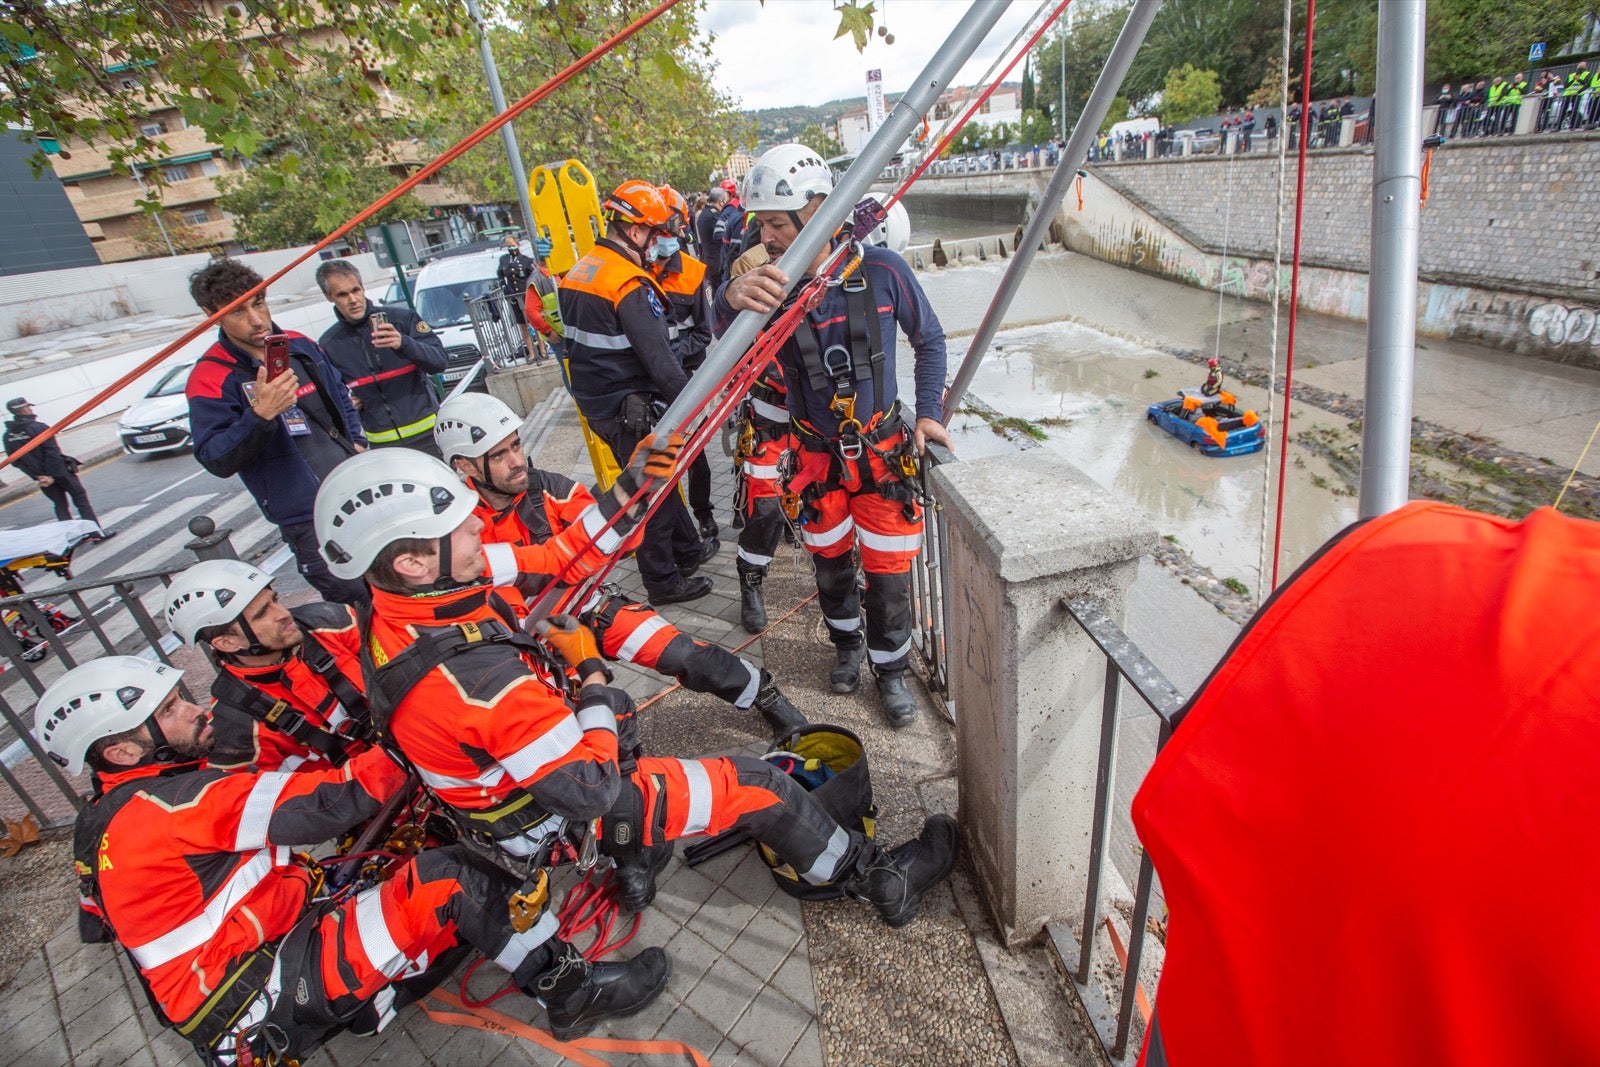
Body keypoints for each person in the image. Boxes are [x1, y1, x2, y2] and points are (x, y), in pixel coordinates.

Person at [310, 450, 958, 933]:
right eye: (459, 527)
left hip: (520, 792)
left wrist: (635, 485)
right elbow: (588, 787)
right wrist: (589, 670)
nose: (478, 531)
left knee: (621, 709)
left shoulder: (401, 612)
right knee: (759, 783)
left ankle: (635, 854)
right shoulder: (476, 681)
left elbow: (567, 555)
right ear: (411, 561)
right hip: (563, 809)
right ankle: (869, 876)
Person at [38, 655, 669, 1063]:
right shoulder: (171, 803)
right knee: (453, 879)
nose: (197, 709)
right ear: (122, 751)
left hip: (233, 987)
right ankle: (573, 993)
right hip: (264, 988)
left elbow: (99, 924)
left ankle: (376, 990)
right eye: (170, 711)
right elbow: (336, 801)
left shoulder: (99, 821)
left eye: (182, 696)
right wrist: (415, 729)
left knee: (403, 871)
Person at [715, 143, 952, 728]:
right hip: (814, 461)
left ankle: (890, 672)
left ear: (819, 210)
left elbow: (931, 341)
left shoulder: (884, 272)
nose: (765, 237)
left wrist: (928, 413)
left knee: (891, 577)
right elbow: (717, 353)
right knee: (832, 569)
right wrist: (728, 301)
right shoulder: (770, 288)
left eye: (775, 223)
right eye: (762, 224)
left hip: (882, 455)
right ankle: (847, 648)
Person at [434, 393, 807, 738]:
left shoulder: (544, 488)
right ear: (465, 465)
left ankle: (763, 691)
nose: (517, 462)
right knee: (568, 729)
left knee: (684, 654)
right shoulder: (457, 531)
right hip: (522, 643)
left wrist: (632, 496)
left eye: (516, 445)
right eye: (499, 456)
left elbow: (617, 541)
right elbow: (543, 567)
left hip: (584, 607)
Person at [557, 179, 713, 607]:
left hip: (599, 404)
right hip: (633, 409)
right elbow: (660, 362)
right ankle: (663, 582)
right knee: (653, 495)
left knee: (660, 482)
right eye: (656, 233)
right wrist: (696, 406)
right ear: (636, 230)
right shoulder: (627, 282)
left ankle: (688, 551)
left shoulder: (580, 271)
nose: (659, 243)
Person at [185, 258, 370, 606]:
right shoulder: (210, 377)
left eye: (258, 304)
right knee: (354, 604)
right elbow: (216, 458)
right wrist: (260, 415)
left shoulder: (300, 345)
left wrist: (356, 442)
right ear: (212, 314)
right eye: (238, 311)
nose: (256, 320)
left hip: (354, 494)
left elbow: (341, 397)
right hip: (306, 519)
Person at [164, 558, 373, 772]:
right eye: (263, 613)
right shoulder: (236, 726)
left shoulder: (331, 622)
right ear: (227, 643)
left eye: (275, 600)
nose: (283, 613)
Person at [315, 259, 448, 458]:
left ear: (362, 287)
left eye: (356, 290)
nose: (353, 299)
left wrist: (403, 343)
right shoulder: (329, 343)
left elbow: (440, 362)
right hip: (383, 447)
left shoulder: (402, 320)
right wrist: (345, 404)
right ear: (329, 296)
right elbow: (330, 396)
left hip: (429, 435)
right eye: (342, 294)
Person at [651, 184, 719, 545]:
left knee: (696, 456)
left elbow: (704, 335)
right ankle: (676, 531)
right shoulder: (636, 270)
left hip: (684, 378)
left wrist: (670, 356)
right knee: (661, 460)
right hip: (649, 383)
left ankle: (703, 513)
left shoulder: (693, 273)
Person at [2, 398, 112, 539]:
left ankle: (72, 537)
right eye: (29, 407)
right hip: (60, 473)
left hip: (43, 479)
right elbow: (52, 452)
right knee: (81, 502)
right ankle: (96, 533)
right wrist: (51, 474)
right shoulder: (38, 427)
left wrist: (38, 476)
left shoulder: (8, 436)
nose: (31, 410)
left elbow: (15, 460)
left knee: (60, 505)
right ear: (25, 409)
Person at [696, 187, 727, 290]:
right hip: (717, 261)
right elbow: (722, 237)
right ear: (721, 201)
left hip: (709, 259)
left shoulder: (704, 213)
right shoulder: (714, 216)